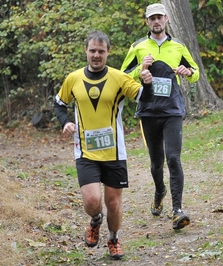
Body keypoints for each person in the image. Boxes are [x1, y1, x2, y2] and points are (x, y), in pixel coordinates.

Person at [54, 30, 154, 259]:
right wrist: (65, 122)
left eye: (101, 51)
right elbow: (59, 103)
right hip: (85, 151)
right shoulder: (74, 78)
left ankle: (113, 238)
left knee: (114, 204)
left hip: (114, 152)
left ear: (108, 52)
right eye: (92, 51)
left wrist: (147, 83)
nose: (96, 55)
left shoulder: (119, 78)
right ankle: (95, 219)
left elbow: (144, 98)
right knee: (92, 201)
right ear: (86, 52)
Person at [120, 3, 200, 230]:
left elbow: (195, 72)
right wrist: (140, 70)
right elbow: (123, 76)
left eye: (160, 17)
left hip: (172, 110)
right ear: (147, 22)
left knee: (173, 158)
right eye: (152, 18)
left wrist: (188, 72)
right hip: (148, 111)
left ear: (166, 19)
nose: (156, 21)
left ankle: (177, 211)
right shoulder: (137, 47)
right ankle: (159, 191)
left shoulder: (178, 47)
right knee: (156, 163)